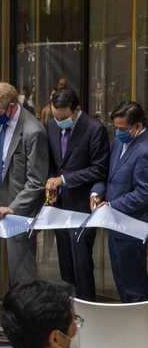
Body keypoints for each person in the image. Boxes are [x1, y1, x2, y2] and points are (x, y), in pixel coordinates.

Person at [0, 83, 48, 289]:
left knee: (21, 268)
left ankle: (25, 315)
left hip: (18, 210)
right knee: (7, 268)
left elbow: (36, 181)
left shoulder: (33, 131)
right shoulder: (0, 123)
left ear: (11, 106)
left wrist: (13, 207)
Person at [45, 88, 109, 301]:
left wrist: (64, 180)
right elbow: (54, 163)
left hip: (82, 204)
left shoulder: (93, 129)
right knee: (65, 260)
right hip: (60, 204)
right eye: (55, 116)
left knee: (81, 261)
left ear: (77, 110)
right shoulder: (51, 125)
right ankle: (69, 309)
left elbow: (99, 169)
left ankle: (87, 306)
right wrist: (52, 184)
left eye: (63, 117)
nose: (59, 121)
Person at [91, 101, 148, 303]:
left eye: (122, 128)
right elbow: (109, 176)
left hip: (133, 227)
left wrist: (112, 205)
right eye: (115, 127)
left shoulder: (144, 150)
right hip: (115, 226)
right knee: (122, 282)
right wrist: (97, 193)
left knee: (134, 287)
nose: (118, 132)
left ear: (138, 126)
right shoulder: (118, 143)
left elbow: (144, 193)